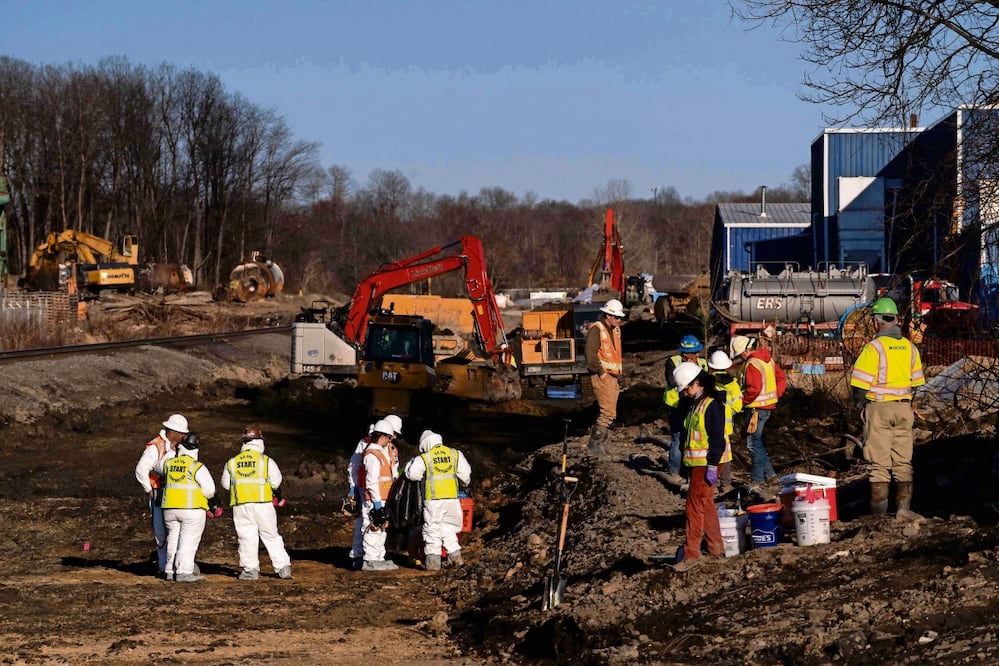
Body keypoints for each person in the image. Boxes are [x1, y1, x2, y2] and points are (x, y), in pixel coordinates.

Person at [850, 297, 925, 519]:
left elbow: (859, 385)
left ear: (876, 321)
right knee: (903, 461)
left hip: (879, 409)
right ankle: (903, 511)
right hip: (904, 409)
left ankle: (878, 517)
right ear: (895, 320)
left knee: (879, 464)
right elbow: (917, 383)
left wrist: (861, 408)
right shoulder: (910, 348)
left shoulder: (874, 348)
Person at [671, 361, 726, 571]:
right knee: (706, 505)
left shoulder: (711, 405)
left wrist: (712, 464)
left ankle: (691, 553)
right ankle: (716, 548)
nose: (685, 393)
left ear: (697, 383)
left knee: (694, 507)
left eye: (687, 388)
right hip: (699, 464)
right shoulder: (697, 404)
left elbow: (717, 439)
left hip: (706, 464)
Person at [220, 424, 292, 580]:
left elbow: (226, 484)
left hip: (241, 505)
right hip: (263, 504)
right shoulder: (265, 461)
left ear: (244, 442)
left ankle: (250, 570)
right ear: (260, 441)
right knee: (271, 535)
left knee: (246, 537)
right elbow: (276, 482)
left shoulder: (232, 462)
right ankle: (283, 568)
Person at [404, 429, 472, 571]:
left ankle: (433, 565)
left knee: (432, 531)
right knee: (449, 529)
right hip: (452, 500)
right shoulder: (454, 454)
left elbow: (413, 475)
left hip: (434, 500)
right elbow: (466, 475)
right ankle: (457, 559)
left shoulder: (426, 457)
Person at [157, 432, 216, 582]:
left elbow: (157, 466)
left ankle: (170, 569)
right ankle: (184, 571)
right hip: (192, 509)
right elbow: (210, 491)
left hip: (169, 509)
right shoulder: (196, 466)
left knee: (173, 539)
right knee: (188, 540)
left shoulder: (168, 464)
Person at [134, 413, 188, 576]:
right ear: (173, 431)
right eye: (181, 433)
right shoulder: (156, 447)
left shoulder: (180, 447)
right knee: (161, 531)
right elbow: (141, 469)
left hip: (177, 494)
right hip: (159, 493)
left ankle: (176, 565)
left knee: (177, 530)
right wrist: (149, 490)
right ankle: (164, 566)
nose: (183, 436)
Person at [347, 414, 403, 570]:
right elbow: (356, 468)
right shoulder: (369, 449)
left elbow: (391, 472)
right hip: (371, 494)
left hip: (383, 495)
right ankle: (364, 558)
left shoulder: (388, 449)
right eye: (392, 435)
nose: (394, 438)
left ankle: (377, 557)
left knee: (380, 526)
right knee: (369, 525)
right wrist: (354, 489)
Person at [730, 333, 787, 486]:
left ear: (743, 351)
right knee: (757, 442)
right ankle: (770, 476)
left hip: (755, 408)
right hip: (766, 407)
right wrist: (775, 395)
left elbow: (753, 389)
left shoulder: (752, 364)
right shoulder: (767, 361)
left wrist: (742, 401)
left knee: (753, 444)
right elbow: (781, 379)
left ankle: (757, 480)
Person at [662, 334, 709, 484]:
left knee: (691, 439)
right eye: (694, 353)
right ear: (685, 354)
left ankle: (689, 470)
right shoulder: (672, 362)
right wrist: (687, 371)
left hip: (695, 406)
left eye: (697, 352)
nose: (697, 355)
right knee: (677, 438)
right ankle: (674, 471)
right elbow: (671, 381)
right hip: (676, 406)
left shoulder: (702, 363)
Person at [585, 298, 625, 456]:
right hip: (602, 374)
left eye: (620, 317)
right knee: (607, 412)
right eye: (616, 317)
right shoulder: (597, 329)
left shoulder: (615, 330)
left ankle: (600, 444)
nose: (619, 320)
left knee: (611, 412)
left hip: (612, 375)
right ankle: (594, 445)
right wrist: (601, 372)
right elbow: (590, 354)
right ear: (607, 315)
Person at [707, 350, 742, 493]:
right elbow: (738, 406)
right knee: (725, 454)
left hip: (709, 424)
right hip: (726, 426)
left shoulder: (707, 382)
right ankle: (725, 483)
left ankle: (711, 483)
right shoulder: (733, 384)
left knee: (710, 451)